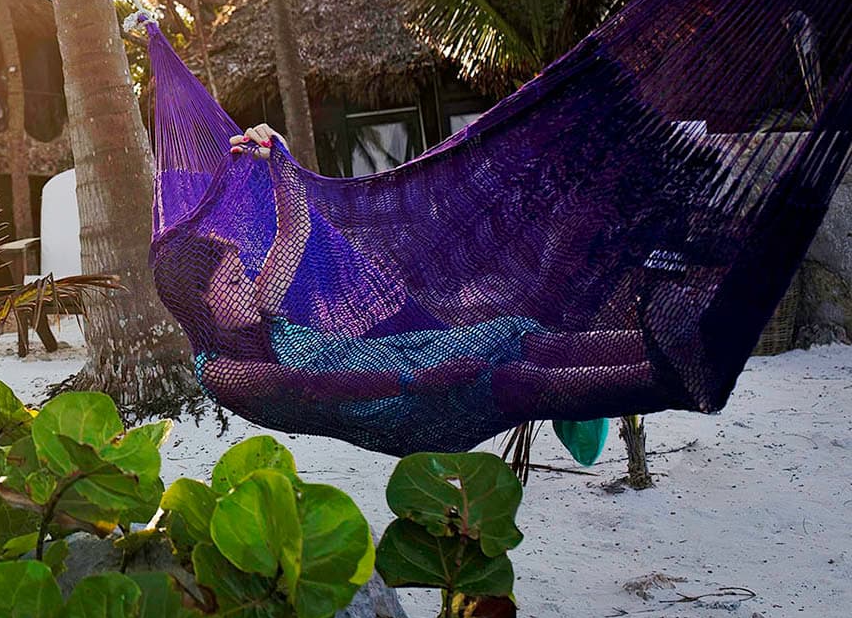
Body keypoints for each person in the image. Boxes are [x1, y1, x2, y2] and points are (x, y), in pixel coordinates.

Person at [159, 124, 665, 457]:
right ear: (198, 304)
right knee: (521, 382)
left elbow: (295, 231)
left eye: (243, 274)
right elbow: (311, 387)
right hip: (405, 404)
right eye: (233, 280)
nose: (248, 283)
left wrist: (279, 160)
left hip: (411, 357)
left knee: (520, 336)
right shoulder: (221, 370)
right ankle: (668, 376)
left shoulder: (256, 310)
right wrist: (418, 381)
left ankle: (666, 348)